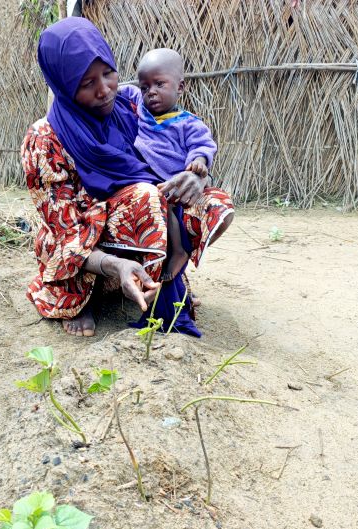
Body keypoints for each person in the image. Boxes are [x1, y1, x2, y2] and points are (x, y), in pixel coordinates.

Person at [22, 17, 234, 337]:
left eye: (107, 73)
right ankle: (87, 295)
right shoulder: (46, 139)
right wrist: (115, 264)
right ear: (63, 85)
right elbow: (65, 232)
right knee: (147, 196)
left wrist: (196, 175)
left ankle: (163, 284)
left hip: (138, 221)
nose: (104, 89)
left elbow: (180, 143)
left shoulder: (130, 105)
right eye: (86, 83)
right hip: (81, 239)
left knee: (211, 203)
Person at [129, 48, 217, 281]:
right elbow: (123, 91)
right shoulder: (142, 114)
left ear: (180, 87)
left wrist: (198, 162)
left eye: (159, 84)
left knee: (165, 206)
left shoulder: (188, 123)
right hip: (150, 181)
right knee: (157, 205)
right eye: (145, 87)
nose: (152, 93)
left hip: (177, 183)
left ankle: (179, 251)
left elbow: (202, 145)